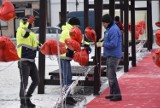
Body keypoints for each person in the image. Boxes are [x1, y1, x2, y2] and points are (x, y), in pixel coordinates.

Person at [59, 17, 91, 105]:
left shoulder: (71, 30)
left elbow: (78, 39)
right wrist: (85, 45)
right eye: (77, 26)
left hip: (65, 57)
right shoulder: (67, 32)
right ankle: (66, 98)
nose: (78, 28)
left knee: (67, 78)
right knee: (66, 78)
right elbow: (75, 41)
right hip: (63, 57)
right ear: (73, 25)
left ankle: (67, 96)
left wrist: (86, 44)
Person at [96, 14, 122, 101]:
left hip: (113, 55)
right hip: (110, 55)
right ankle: (112, 93)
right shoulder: (110, 29)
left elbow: (113, 44)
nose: (103, 25)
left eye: (103, 23)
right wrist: (103, 40)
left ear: (107, 22)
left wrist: (103, 44)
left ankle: (117, 95)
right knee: (109, 75)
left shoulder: (113, 30)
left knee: (111, 75)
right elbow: (109, 38)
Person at [16, 15, 40, 107]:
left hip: (31, 61)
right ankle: (23, 104)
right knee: (24, 83)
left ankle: (27, 98)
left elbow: (36, 45)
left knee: (36, 80)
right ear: (26, 21)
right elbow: (25, 35)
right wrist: (29, 24)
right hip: (23, 61)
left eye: (32, 22)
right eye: (31, 22)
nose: (32, 23)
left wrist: (43, 47)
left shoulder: (32, 33)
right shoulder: (20, 30)